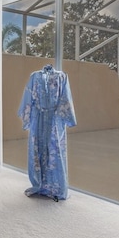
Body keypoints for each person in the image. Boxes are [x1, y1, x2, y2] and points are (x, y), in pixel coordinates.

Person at [17, 64, 77, 201]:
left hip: (55, 119)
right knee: (37, 150)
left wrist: (65, 118)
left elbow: (65, 97)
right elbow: (28, 97)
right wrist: (28, 118)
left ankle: (57, 187)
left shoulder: (62, 76)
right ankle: (39, 185)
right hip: (38, 118)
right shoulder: (34, 76)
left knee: (55, 152)